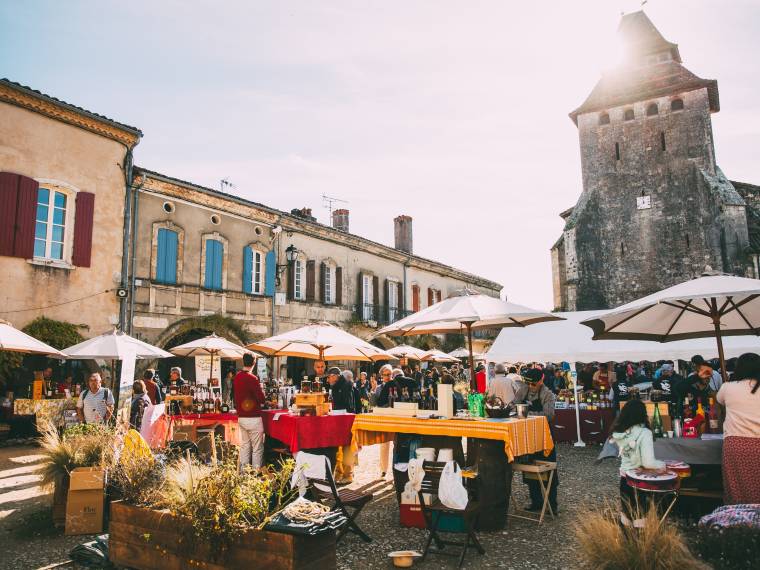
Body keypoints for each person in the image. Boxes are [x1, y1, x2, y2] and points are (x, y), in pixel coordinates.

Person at [610, 399, 666, 528]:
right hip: (640, 482)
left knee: (627, 515)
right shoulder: (645, 433)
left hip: (624, 479)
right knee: (640, 518)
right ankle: (639, 546)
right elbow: (648, 462)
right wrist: (662, 465)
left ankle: (626, 545)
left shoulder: (621, 433)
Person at [716, 352, 760, 504]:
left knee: (737, 489)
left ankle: (740, 522)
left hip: (735, 444)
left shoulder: (727, 388)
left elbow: (719, 401)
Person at [514, 368, 558, 514]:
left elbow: (549, 415)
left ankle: (552, 504)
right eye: (529, 385)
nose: (531, 387)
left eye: (534, 385)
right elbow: (513, 405)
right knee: (530, 470)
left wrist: (526, 413)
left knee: (548, 470)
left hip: (545, 437)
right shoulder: (523, 390)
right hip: (528, 438)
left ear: (541, 380)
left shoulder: (547, 394)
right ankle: (536, 501)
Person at [234, 353, 266, 472]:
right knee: (257, 448)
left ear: (243, 362)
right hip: (253, 418)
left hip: (241, 417)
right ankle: (255, 477)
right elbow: (261, 398)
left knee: (245, 446)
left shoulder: (237, 377)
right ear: (254, 363)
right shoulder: (252, 378)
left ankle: (243, 475)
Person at [327, 367, 358, 484]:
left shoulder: (345, 385)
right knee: (339, 447)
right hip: (339, 418)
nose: (328, 380)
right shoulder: (337, 386)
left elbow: (349, 405)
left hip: (346, 420)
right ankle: (339, 473)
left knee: (347, 447)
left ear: (335, 376)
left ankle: (348, 474)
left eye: (329, 377)